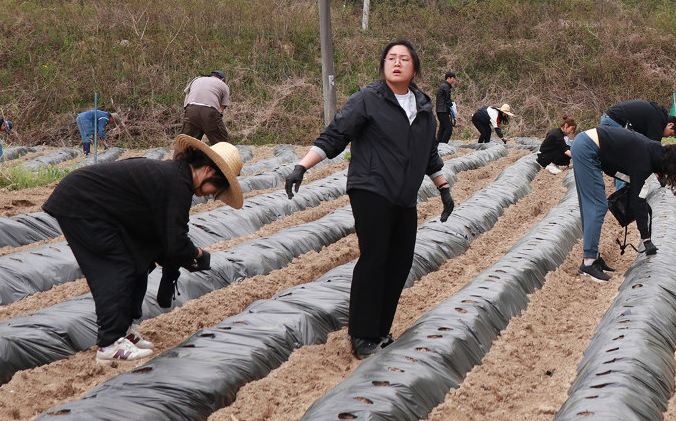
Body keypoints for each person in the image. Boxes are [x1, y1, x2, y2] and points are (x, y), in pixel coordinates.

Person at [283, 39, 454, 358]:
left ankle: (379, 331)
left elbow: (429, 153)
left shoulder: (424, 107)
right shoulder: (367, 99)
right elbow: (336, 135)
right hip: (371, 188)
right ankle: (361, 336)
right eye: (391, 58)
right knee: (375, 258)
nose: (397, 62)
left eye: (404, 58)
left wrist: (443, 189)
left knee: (400, 263)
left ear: (414, 68)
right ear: (383, 65)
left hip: (404, 196)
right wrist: (301, 166)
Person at [42, 135, 240, 362]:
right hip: (82, 204)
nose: (212, 194)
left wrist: (182, 257)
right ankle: (109, 344)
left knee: (138, 260)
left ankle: (122, 330)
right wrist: (198, 255)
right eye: (217, 187)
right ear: (208, 171)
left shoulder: (178, 178)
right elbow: (176, 240)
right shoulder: (178, 183)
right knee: (117, 265)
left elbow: (163, 236)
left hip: (99, 209)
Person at [570, 125, 676, 283]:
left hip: (587, 144)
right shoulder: (645, 161)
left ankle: (593, 257)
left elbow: (631, 182)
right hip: (587, 148)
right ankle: (589, 262)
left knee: (593, 206)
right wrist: (646, 239)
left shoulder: (651, 150)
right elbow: (638, 199)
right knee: (596, 207)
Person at [181, 70, 231, 145]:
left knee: (186, 143)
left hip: (191, 109)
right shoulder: (223, 85)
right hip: (210, 111)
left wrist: (189, 112)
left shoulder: (196, 79)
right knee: (221, 143)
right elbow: (221, 110)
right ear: (223, 80)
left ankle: (179, 156)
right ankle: (223, 156)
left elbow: (186, 99)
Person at [600, 100, 676, 141]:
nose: (667, 136)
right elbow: (653, 148)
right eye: (670, 134)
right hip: (614, 121)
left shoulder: (657, 115)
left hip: (609, 118)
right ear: (670, 125)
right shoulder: (659, 120)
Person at [435, 71, 456, 144]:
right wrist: (452, 105)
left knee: (442, 128)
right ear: (449, 78)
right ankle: (444, 144)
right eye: (453, 79)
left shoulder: (443, 86)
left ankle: (439, 143)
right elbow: (448, 100)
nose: (454, 80)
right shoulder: (446, 87)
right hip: (443, 110)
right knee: (448, 128)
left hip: (440, 110)